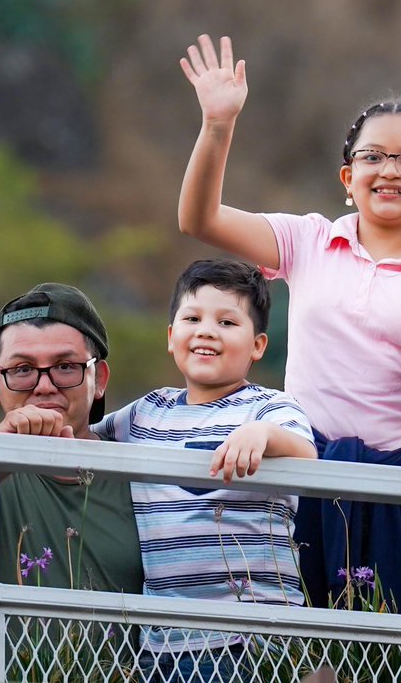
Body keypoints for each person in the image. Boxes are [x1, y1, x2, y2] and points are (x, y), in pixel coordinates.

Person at [176, 34, 401, 617]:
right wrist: (218, 124)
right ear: (347, 177)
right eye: (372, 157)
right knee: (307, 643)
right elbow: (199, 217)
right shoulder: (310, 239)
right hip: (306, 466)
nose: (389, 170)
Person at [92, 259, 316, 683]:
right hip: (161, 640)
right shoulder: (147, 412)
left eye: (227, 322)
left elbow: (306, 455)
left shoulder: (268, 408)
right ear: (171, 336)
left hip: (251, 636)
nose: (207, 330)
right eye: (192, 318)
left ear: (258, 345)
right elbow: (83, 445)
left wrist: (263, 436)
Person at [0, 283, 143, 595]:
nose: (45, 386)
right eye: (23, 369)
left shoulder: (145, 475)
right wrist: (3, 450)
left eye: (65, 367)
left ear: (100, 378)